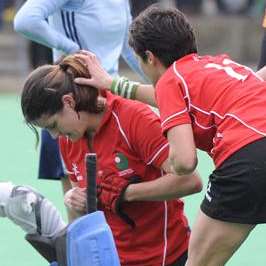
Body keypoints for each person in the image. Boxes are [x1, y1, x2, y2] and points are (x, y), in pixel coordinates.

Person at [74, 4, 266, 266]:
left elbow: (185, 162)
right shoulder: (215, 65)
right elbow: (173, 100)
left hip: (247, 161)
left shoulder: (169, 81)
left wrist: (168, 155)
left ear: (150, 57)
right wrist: (112, 85)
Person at [20, 55, 203, 266]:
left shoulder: (133, 118)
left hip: (165, 257)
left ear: (68, 102)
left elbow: (190, 181)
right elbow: (92, 203)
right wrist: (77, 201)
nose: (53, 136)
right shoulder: (68, 139)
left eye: (52, 125)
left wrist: (126, 194)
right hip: (109, 258)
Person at [13, 0, 145, 220]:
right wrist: (72, 50)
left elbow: (128, 49)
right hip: (74, 105)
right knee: (83, 215)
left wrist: (161, 88)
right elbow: (25, 20)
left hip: (112, 100)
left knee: (120, 205)